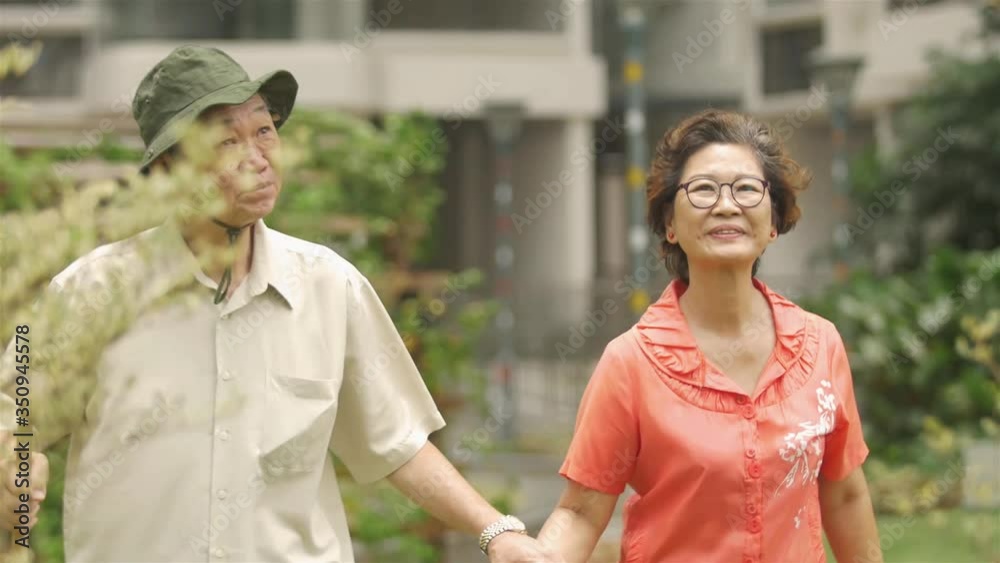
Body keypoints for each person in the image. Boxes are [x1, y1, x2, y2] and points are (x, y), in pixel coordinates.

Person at [0, 45, 563, 563]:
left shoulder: (330, 287)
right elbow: (14, 410)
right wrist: (16, 467)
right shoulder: (90, 292)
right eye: (226, 141)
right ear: (168, 168)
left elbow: (399, 443)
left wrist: (497, 532)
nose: (257, 157)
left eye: (265, 132)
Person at [537, 110, 882, 563]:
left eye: (746, 189)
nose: (726, 205)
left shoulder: (821, 345)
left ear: (773, 220)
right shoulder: (630, 363)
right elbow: (581, 513)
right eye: (702, 189)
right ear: (669, 226)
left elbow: (845, 495)